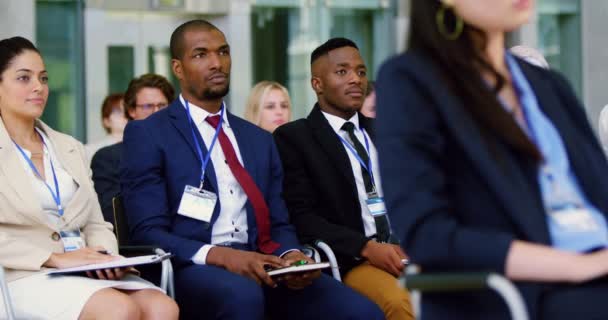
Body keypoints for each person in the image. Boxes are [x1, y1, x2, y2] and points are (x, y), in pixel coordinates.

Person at [120, 20, 384, 320]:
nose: (217, 63)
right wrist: (224, 256)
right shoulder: (150, 133)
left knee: (360, 312)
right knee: (242, 296)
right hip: (193, 267)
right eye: (201, 54)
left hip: (264, 263)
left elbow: (280, 222)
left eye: (223, 52)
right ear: (178, 68)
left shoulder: (257, 139)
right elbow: (148, 231)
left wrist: (292, 257)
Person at [376, 0, 608, 319]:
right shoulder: (411, 81)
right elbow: (428, 234)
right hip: (533, 291)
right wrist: (578, 266)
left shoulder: (548, 85)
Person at [0, 36, 178, 320]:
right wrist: (54, 258)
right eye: (24, 78)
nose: (39, 87)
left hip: (80, 267)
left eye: (43, 78)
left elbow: (96, 222)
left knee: (162, 307)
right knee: (118, 309)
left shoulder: (68, 147)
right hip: (19, 274)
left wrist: (104, 255)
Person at [274, 38, 413, 320]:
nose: (355, 79)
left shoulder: (387, 131)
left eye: (361, 72)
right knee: (400, 302)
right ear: (317, 84)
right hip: (354, 258)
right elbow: (302, 217)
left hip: (408, 249)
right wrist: (367, 248)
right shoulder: (295, 138)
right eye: (342, 72)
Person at [91, 74, 174, 224]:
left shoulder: (184, 152)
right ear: (131, 111)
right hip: (140, 242)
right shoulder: (108, 158)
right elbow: (112, 215)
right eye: (148, 106)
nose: (156, 112)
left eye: (162, 106)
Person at [84, 93, 127, 161]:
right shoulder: (91, 150)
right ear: (106, 121)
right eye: (118, 111)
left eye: (126, 110)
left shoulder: (141, 146)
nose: (124, 115)